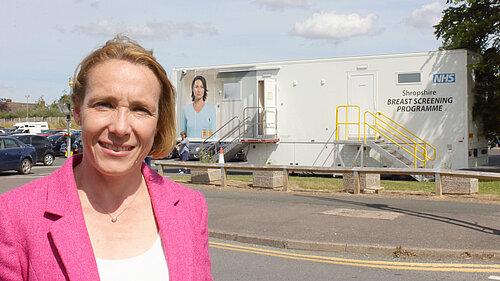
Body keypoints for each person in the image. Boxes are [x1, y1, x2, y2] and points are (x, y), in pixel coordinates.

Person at [0, 36, 212, 280]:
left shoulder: (190, 208)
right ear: (77, 111)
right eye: (104, 104)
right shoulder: (13, 216)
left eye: (140, 109)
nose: (120, 128)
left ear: (158, 122)